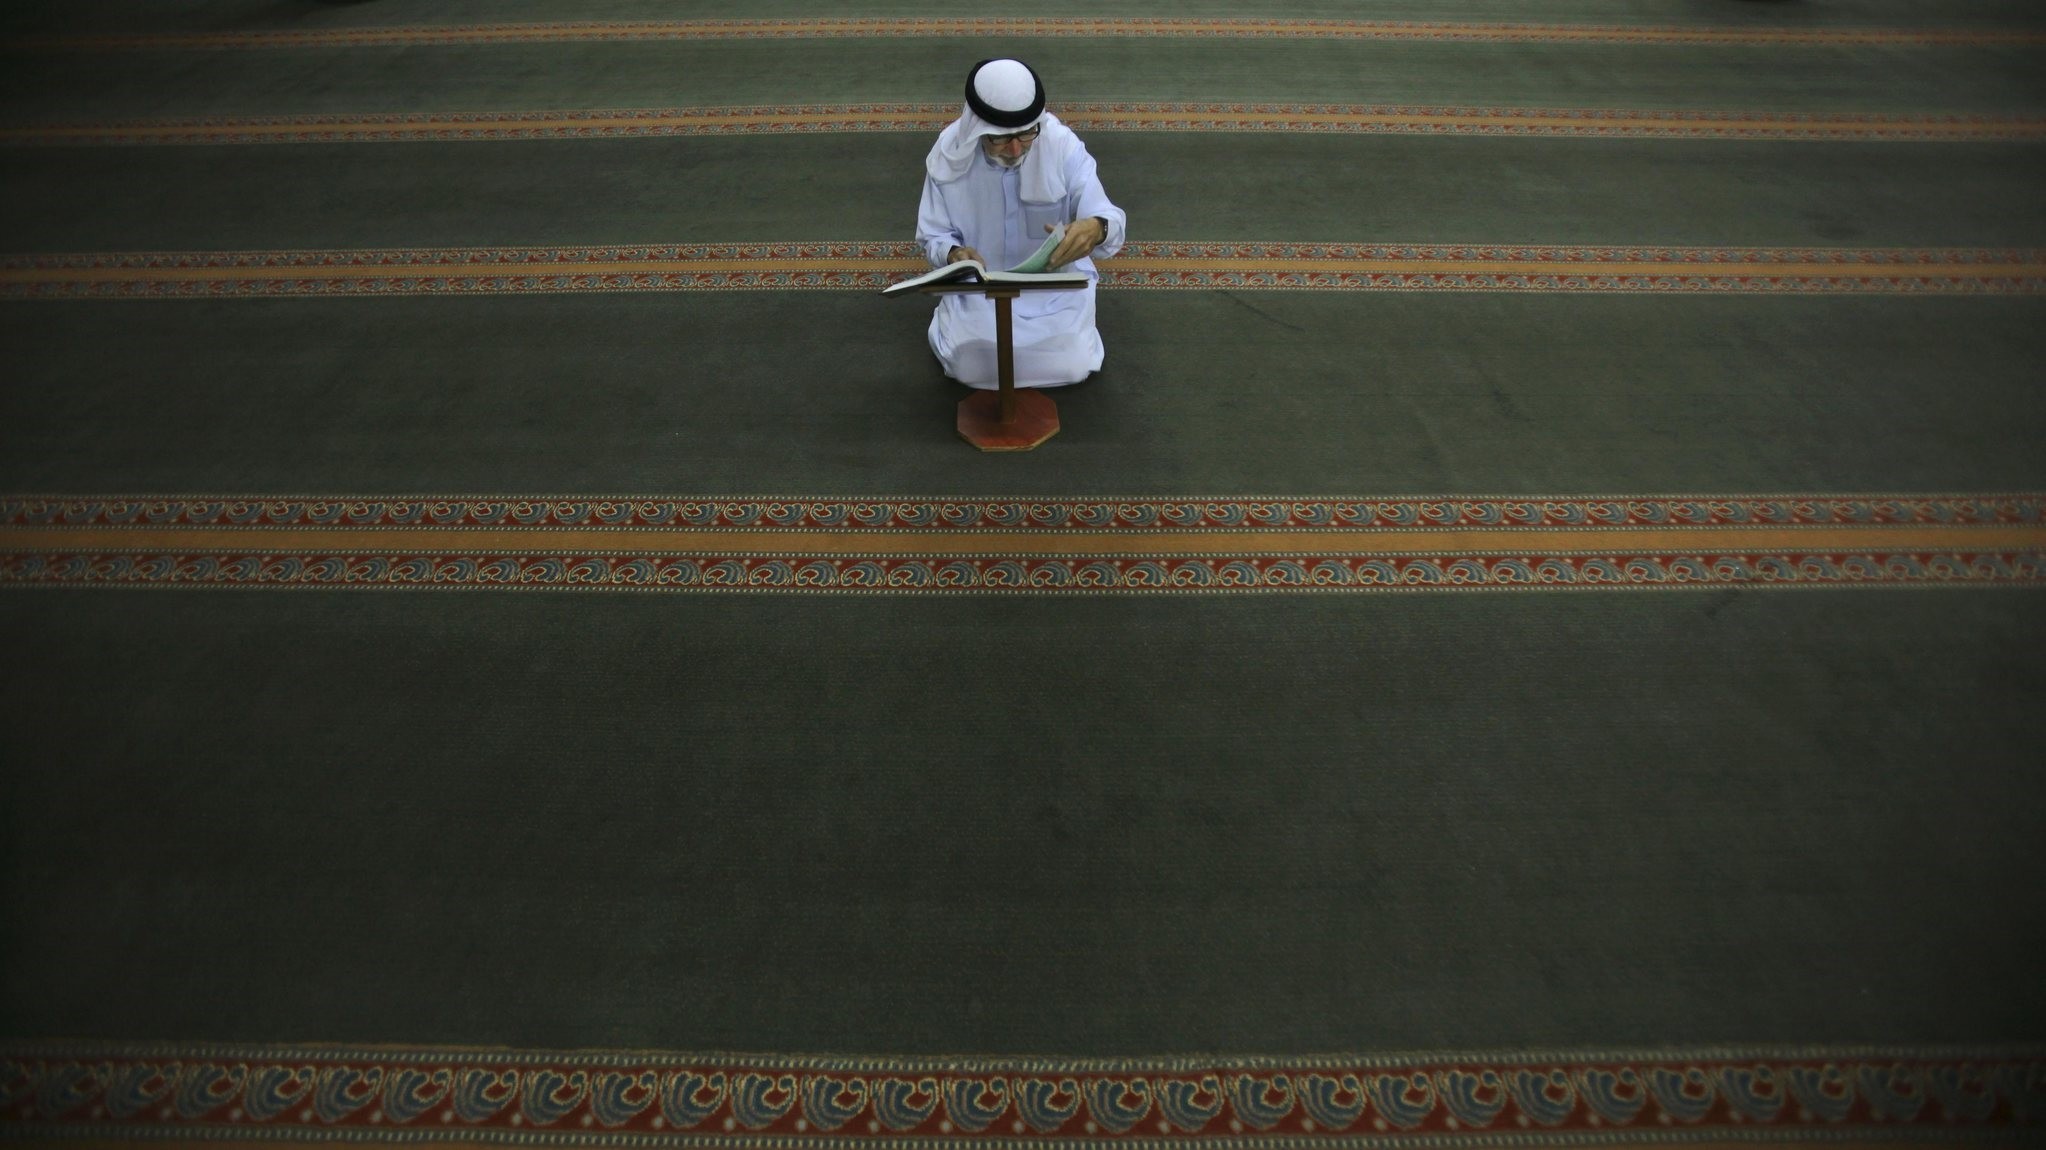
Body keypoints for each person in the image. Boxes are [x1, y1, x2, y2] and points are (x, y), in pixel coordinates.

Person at [915, 58, 1128, 389]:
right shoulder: (949, 154)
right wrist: (954, 254)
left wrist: (1095, 227)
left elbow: (1108, 215)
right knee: (973, 369)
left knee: (1072, 367)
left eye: (1027, 133)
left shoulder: (1060, 144)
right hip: (981, 291)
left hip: (1053, 290)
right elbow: (933, 234)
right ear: (978, 129)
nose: (1015, 148)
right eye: (1000, 138)